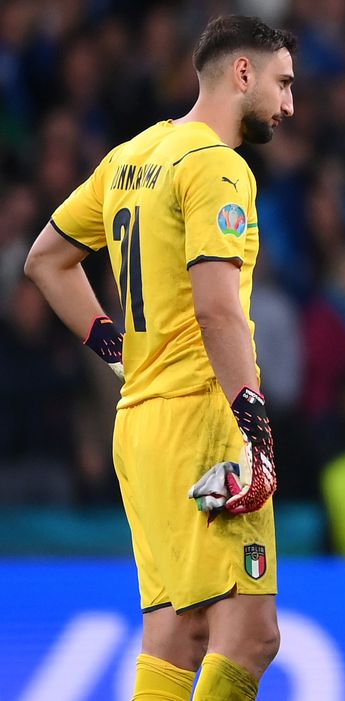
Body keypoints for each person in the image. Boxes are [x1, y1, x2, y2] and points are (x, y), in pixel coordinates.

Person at [23, 15, 294, 701]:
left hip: (140, 423)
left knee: (176, 631)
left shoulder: (131, 157)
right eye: (282, 82)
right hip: (202, 420)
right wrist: (255, 430)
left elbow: (46, 261)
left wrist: (120, 354)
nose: (289, 104)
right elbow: (216, 307)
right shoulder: (216, 165)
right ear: (242, 73)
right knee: (252, 632)